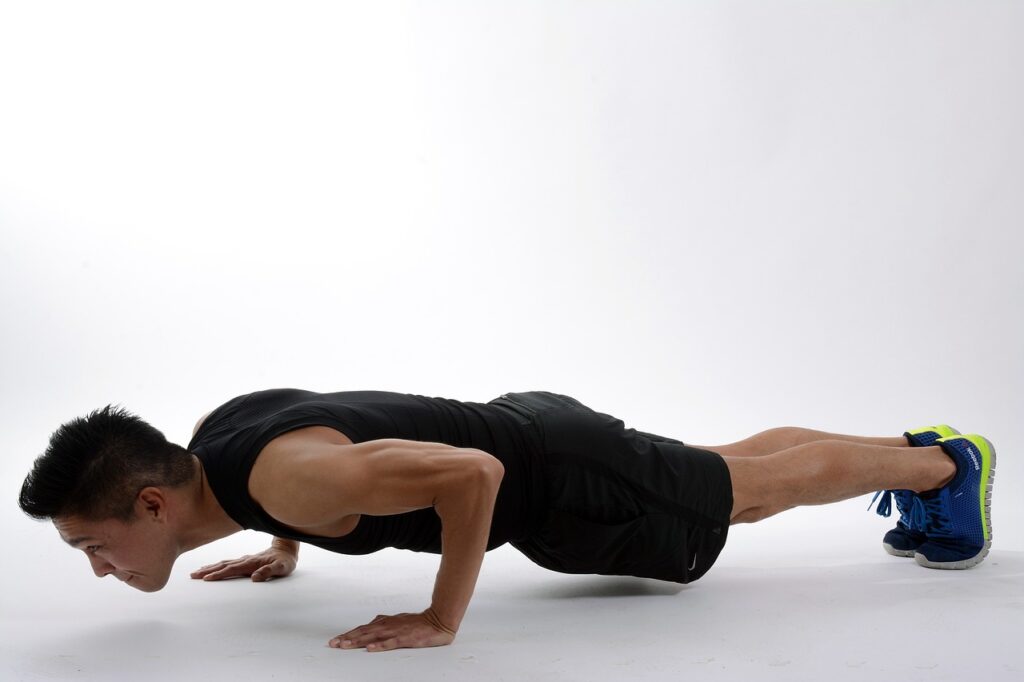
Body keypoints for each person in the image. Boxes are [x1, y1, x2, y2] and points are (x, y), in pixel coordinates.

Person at [17, 388, 995, 653]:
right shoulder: (221, 446)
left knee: (747, 490)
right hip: (541, 431)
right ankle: (921, 448)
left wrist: (443, 617)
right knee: (727, 464)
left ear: (150, 501)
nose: (100, 567)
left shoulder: (289, 482)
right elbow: (309, 443)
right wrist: (284, 546)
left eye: (93, 544)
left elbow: (470, 476)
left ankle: (946, 464)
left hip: (551, 478)